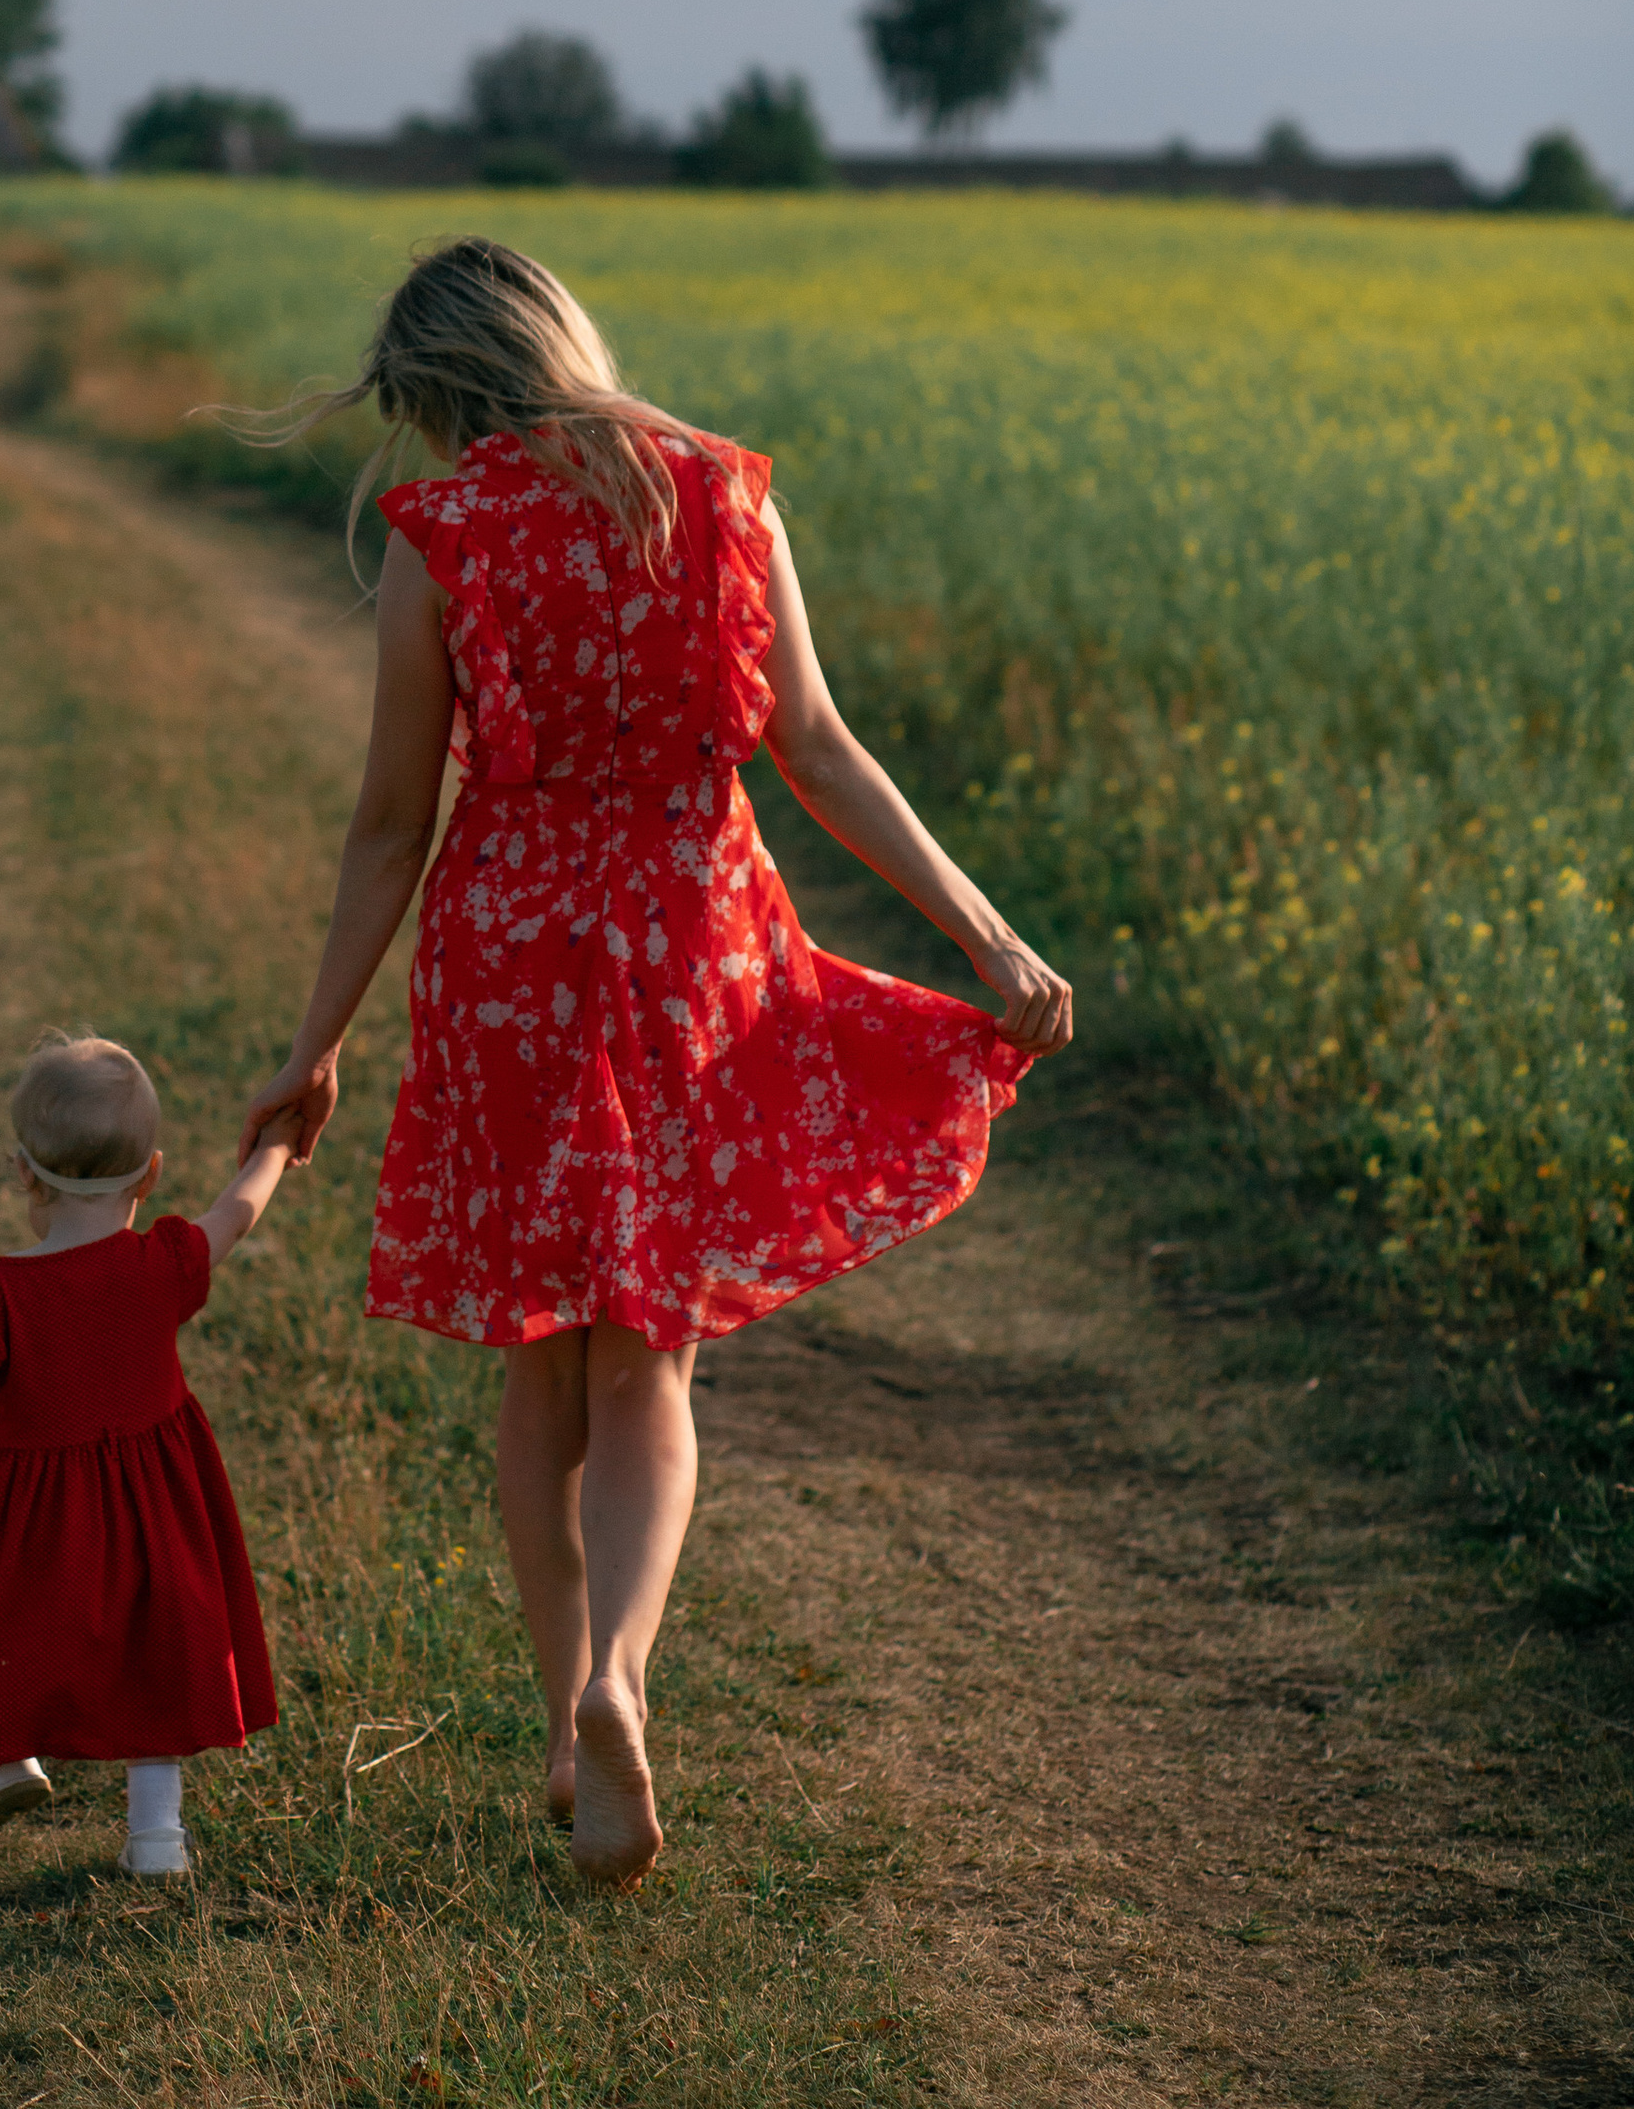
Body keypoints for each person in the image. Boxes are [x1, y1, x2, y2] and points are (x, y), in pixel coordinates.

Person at [237, 236, 1072, 1891]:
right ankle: (627, 1675)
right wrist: (988, 937)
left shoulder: (443, 539)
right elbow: (818, 747)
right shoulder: (717, 489)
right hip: (690, 942)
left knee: (537, 1361)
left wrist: (311, 1046)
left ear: (441, 399)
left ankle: (565, 1724)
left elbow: (393, 823)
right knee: (649, 1361)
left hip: (512, 965)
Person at [0, 1028, 289, 1881]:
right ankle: (156, 1837)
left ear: (22, 1172)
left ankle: (4, 1761)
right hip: (159, 1501)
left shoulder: (0, 1294)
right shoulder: (161, 1263)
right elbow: (237, 1211)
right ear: (151, 1173)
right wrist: (276, 1145)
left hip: (37, 1513)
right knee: (156, 1648)